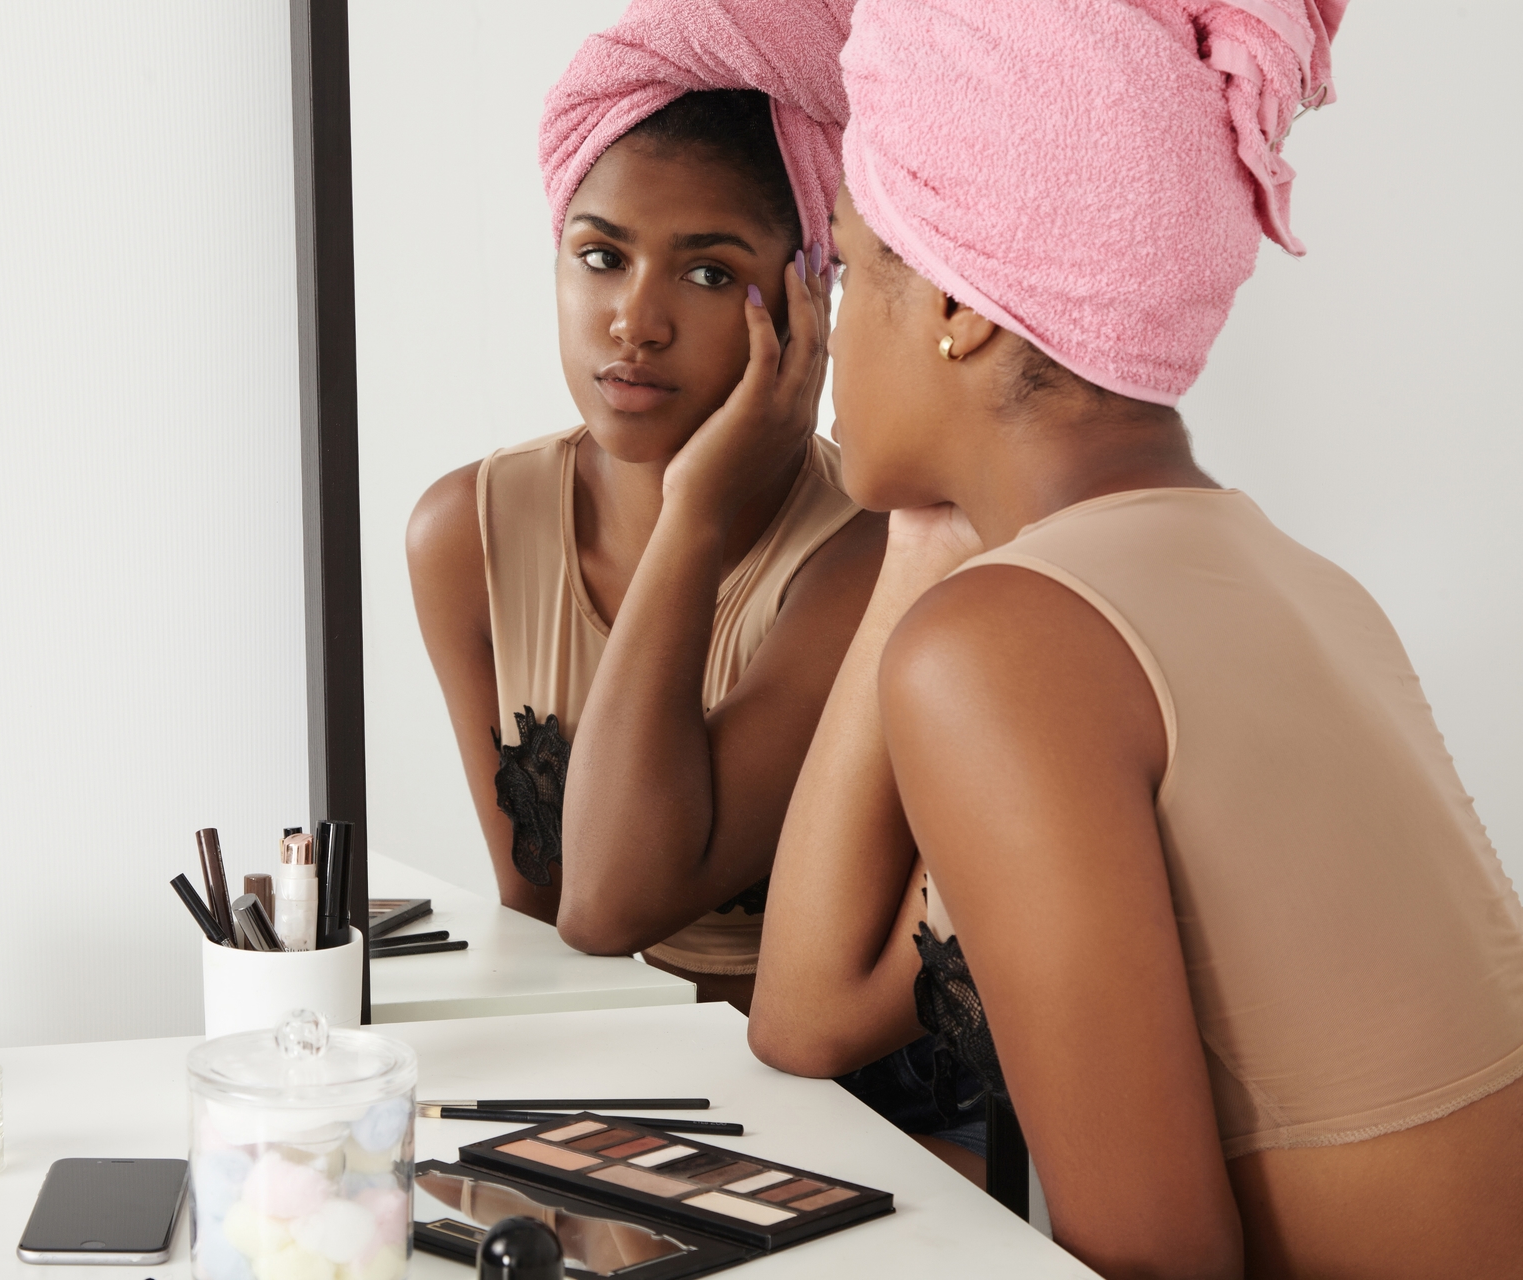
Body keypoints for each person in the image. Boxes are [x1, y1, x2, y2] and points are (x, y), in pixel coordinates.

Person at [749, 0, 1523, 1275]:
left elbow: (1158, 1259)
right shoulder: (1290, 579)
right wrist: (930, 535)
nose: (828, 323)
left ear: (958, 305)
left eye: (853, 259)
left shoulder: (1012, 647)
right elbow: (809, 1011)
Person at [406, 0, 882, 1013]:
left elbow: (609, 909)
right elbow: (538, 924)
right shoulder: (467, 535)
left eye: (710, 272)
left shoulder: (864, 559)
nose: (634, 319)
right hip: (600, 1090)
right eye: (599, 255)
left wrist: (694, 510)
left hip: (842, 1112)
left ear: (811, 300)